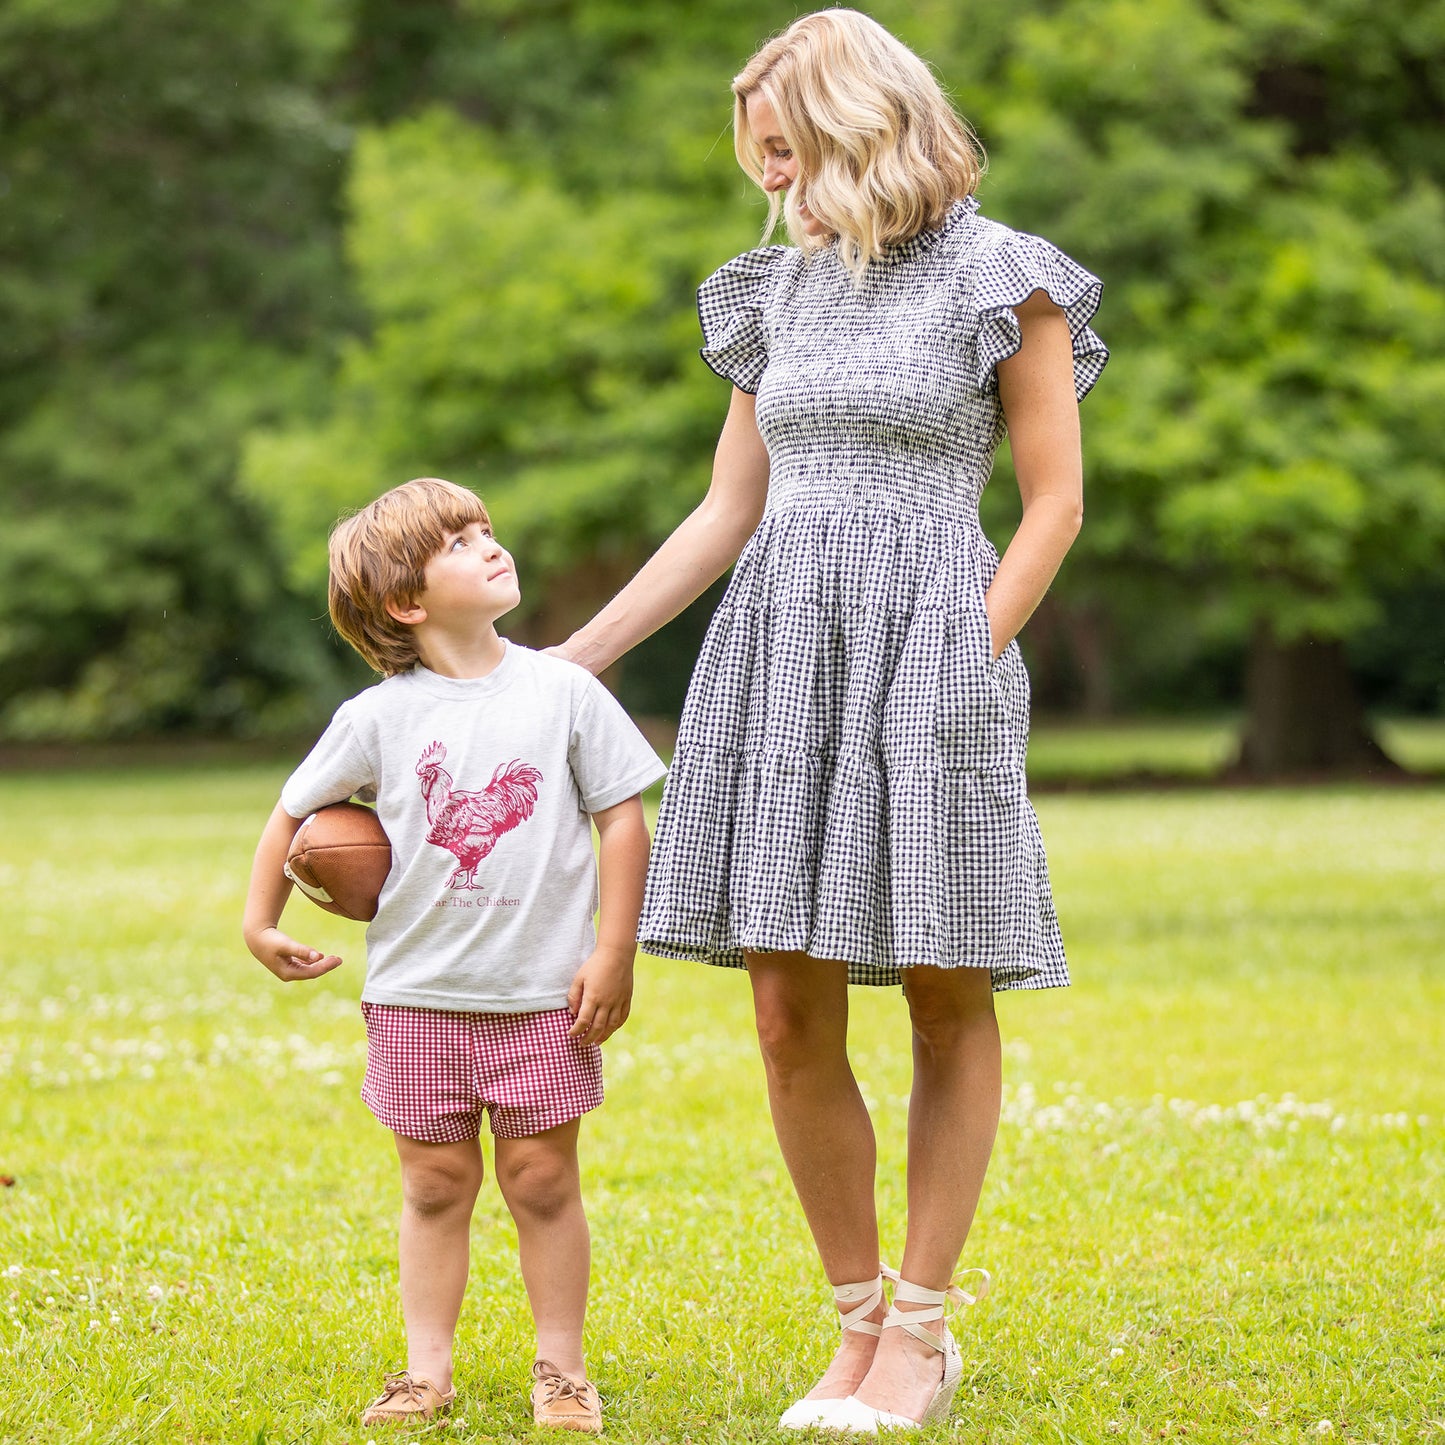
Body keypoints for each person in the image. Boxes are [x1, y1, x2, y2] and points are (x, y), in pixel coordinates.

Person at [551, 8, 1107, 1434]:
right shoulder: (772, 293)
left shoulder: (1004, 277)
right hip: (778, 651)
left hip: (934, 638)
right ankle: (854, 1323)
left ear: (863, 124)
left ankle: (922, 1331)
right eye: (759, 166)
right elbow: (728, 510)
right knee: (784, 1004)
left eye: (786, 154)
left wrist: (966, 655)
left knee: (940, 978)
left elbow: (1052, 502)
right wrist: (579, 658)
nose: (773, 188)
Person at [242, 476, 666, 1432]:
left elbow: (623, 820)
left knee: (544, 1179)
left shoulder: (564, 691)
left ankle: (561, 1370)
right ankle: (423, 1372)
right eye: (460, 540)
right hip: (415, 995)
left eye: (486, 529)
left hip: (538, 995)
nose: (489, 543)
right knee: (433, 1185)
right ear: (406, 601)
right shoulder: (378, 716)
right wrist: (259, 919)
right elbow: (293, 809)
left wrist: (614, 950)